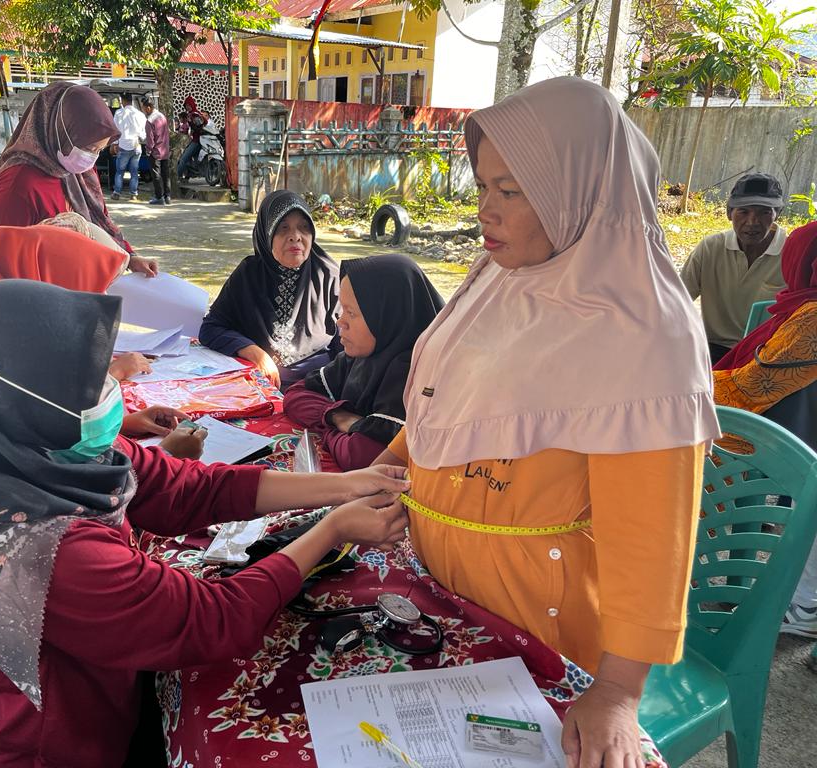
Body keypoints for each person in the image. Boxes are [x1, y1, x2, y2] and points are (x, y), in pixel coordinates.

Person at [0, 279, 410, 767]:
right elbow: (210, 621)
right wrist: (331, 530)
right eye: (93, 378)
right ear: (24, 399)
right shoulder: (32, 547)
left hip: (88, 722)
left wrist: (347, 483)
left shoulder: (38, 453)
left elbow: (190, 488)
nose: (111, 390)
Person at [372, 78, 719, 768]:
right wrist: (378, 475)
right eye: (481, 187)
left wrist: (619, 690)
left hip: (539, 628)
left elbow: (651, 539)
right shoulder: (500, 280)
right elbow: (442, 404)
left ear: (580, 189)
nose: (484, 212)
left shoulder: (643, 333)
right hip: (441, 591)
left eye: (512, 191)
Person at [0, 225, 185, 441]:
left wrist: (123, 423)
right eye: (86, 287)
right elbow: (47, 435)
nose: (99, 300)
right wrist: (111, 375)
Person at [709, 221, 817, 641]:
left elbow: (754, 387)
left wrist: (684, 387)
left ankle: (805, 606)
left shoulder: (811, 319)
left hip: (794, 447)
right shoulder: (799, 309)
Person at [0, 82, 157, 277]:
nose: (91, 157)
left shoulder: (77, 171)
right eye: (88, 149)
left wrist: (129, 258)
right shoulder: (17, 185)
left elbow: (99, 219)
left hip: (79, 291)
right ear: (60, 131)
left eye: (99, 150)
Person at [283, 254, 444, 470]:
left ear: (387, 316)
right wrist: (338, 417)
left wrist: (331, 427)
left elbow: (361, 456)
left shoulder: (415, 372)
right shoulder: (362, 355)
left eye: (351, 312)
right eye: (342, 309)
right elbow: (295, 395)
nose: (340, 321)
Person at [199, 190, 340, 391]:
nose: (295, 237)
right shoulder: (248, 275)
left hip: (317, 387)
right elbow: (211, 327)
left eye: (304, 227)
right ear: (267, 234)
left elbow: (350, 346)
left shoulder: (328, 276)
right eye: (283, 228)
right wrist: (254, 352)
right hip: (259, 384)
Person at [680, 173, 788, 363]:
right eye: (743, 211)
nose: (753, 222)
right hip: (713, 349)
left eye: (764, 212)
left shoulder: (791, 253)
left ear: (777, 214)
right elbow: (677, 300)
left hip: (767, 353)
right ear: (729, 213)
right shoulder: (710, 248)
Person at [110, 93, 146, 200]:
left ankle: (117, 193)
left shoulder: (119, 113)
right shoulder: (140, 114)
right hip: (136, 145)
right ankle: (133, 194)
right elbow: (144, 132)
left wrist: (114, 144)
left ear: (123, 101)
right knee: (134, 172)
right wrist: (141, 139)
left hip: (123, 145)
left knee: (120, 172)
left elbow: (115, 129)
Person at [141, 97, 171, 205]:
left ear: (148, 108)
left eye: (143, 108)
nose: (143, 111)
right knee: (165, 174)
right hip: (165, 150)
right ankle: (167, 196)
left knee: (156, 175)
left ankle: (159, 197)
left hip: (156, 152)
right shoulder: (162, 116)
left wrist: (148, 151)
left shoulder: (150, 121)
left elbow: (150, 139)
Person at [176, 95, 207, 179]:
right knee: (194, 160)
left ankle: (176, 178)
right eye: (186, 106)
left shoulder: (195, 115)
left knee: (183, 159)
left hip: (197, 141)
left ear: (192, 105)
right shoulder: (192, 114)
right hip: (198, 140)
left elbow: (199, 126)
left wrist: (192, 124)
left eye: (189, 105)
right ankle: (188, 176)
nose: (188, 107)